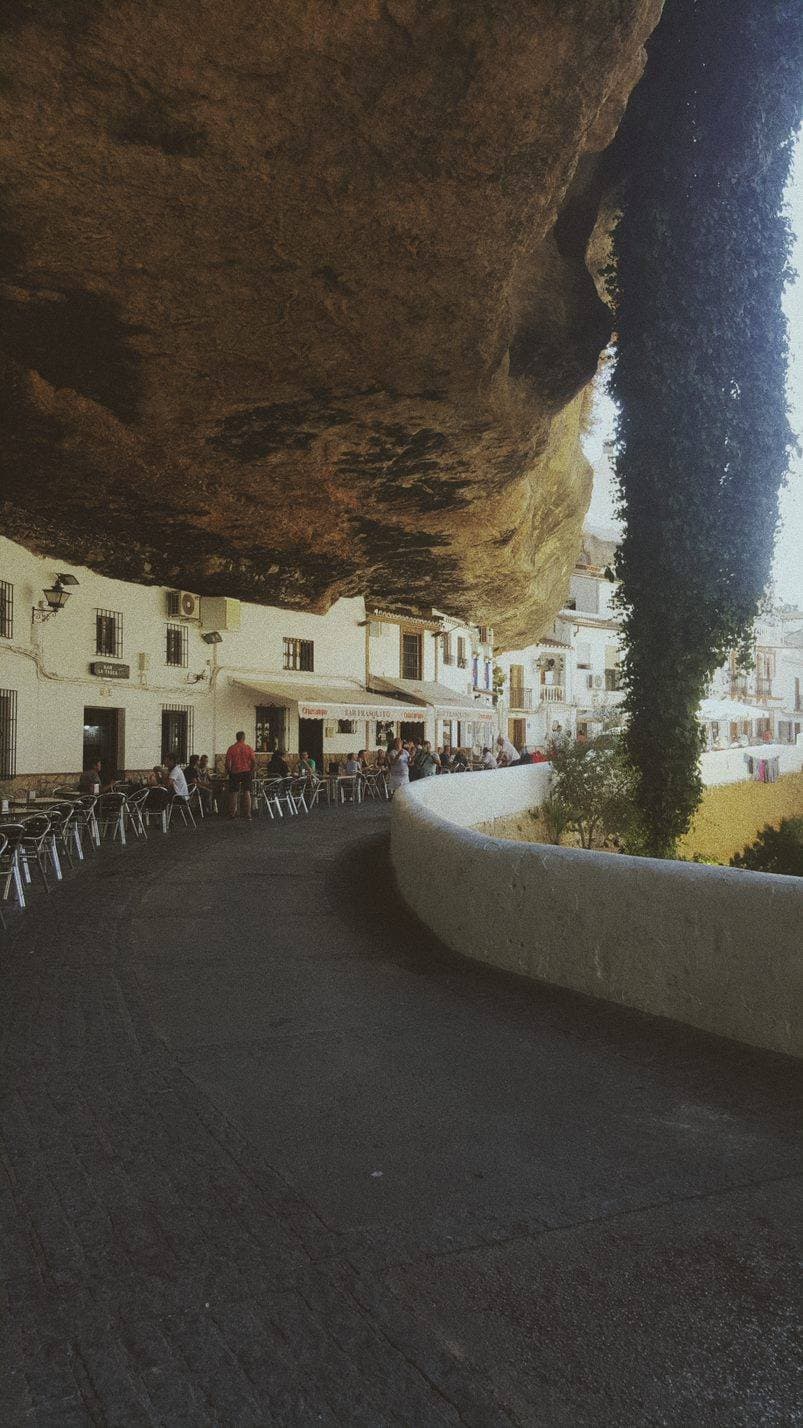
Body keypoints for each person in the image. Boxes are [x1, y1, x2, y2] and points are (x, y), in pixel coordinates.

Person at [225, 729, 256, 819]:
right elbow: (254, 761)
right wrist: (251, 770)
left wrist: (228, 770)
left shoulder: (231, 748)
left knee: (234, 793)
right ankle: (248, 813)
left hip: (235, 772)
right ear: (243, 738)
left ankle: (232, 813)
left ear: (237, 738)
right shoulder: (248, 748)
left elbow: (228, 762)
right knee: (247, 792)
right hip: (246, 771)